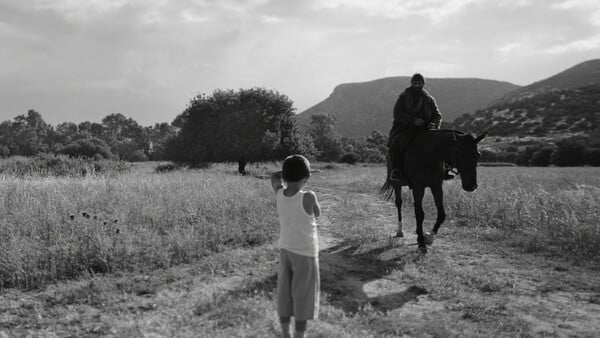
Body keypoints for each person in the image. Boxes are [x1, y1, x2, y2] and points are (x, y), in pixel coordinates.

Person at [270, 155, 321, 338]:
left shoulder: (278, 192)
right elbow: (318, 213)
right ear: (306, 178)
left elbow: (274, 177)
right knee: (303, 295)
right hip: (305, 253)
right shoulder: (309, 196)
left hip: (285, 250)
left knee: (284, 293)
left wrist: (284, 173)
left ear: (284, 175)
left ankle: (285, 333)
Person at [388, 73, 450, 182]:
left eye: (419, 83)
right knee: (398, 143)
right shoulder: (403, 97)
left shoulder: (429, 99)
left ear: (423, 84)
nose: (417, 85)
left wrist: (434, 124)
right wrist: (413, 120)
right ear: (411, 84)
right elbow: (397, 113)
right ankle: (397, 170)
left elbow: (437, 115)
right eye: (415, 83)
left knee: (441, 143)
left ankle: (444, 169)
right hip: (405, 128)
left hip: (425, 129)